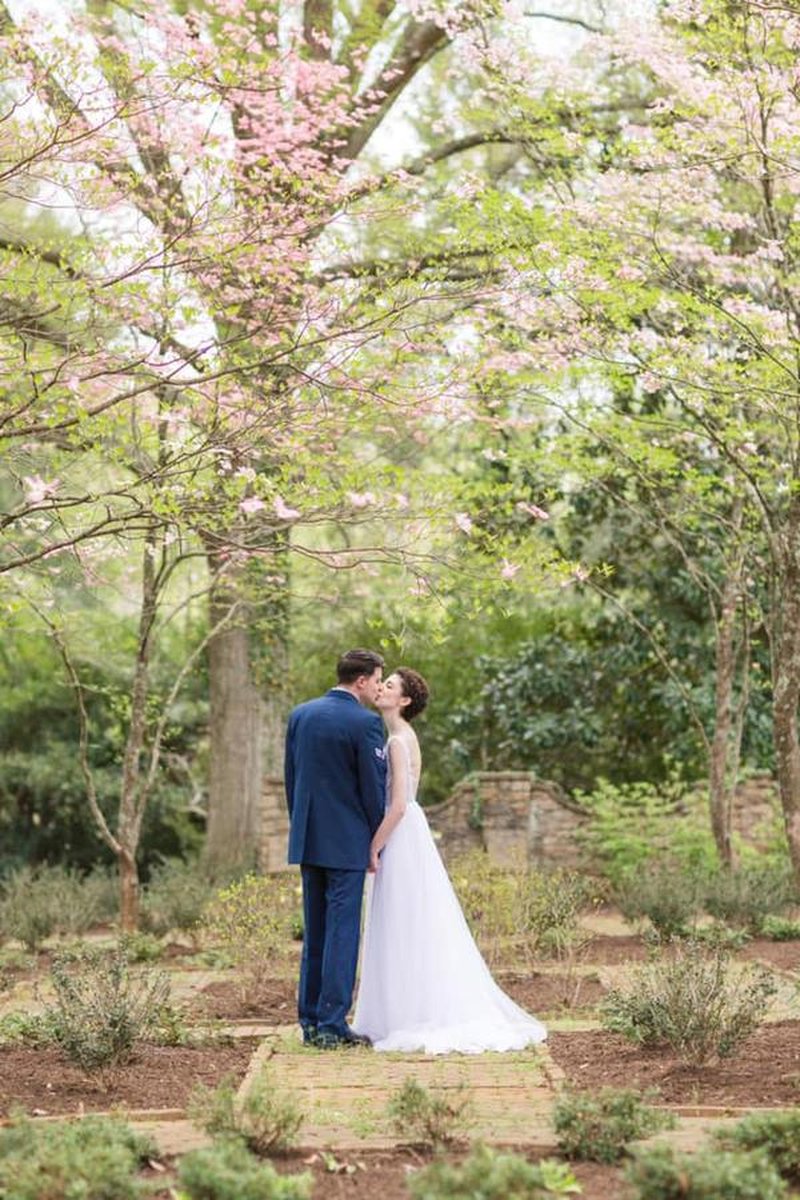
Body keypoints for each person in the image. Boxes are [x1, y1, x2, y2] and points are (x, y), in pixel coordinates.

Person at [352, 667, 547, 1054]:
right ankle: (400, 1009)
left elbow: (398, 805)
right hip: (411, 832)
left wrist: (373, 845)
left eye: (389, 686)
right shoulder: (401, 736)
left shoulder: (396, 740)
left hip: (401, 832)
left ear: (404, 700)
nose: (381, 688)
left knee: (399, 921)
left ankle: (406, 1014)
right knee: (408, 922)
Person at [284, 648, 386, 1048]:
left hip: (309, 839)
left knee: (317, 932)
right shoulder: (365, 723)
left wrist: (302, 827)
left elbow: (292, 779)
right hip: (347, 843)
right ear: (361, 681)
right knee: (342, 934)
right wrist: (376, 839)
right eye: (377, 679)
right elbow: (372, 790)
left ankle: (309, 1020)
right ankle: (331, 1024)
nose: (379, 686)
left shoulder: (300, 715)